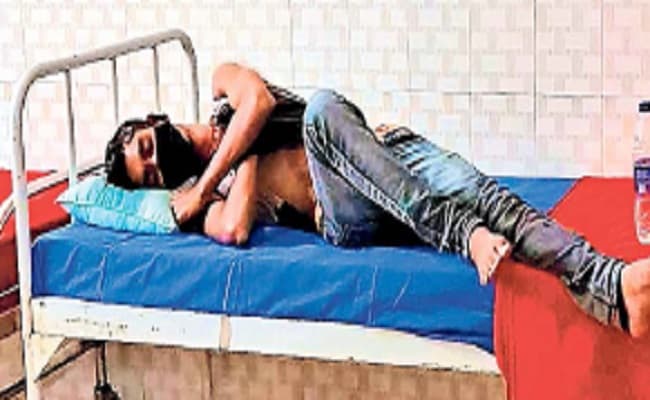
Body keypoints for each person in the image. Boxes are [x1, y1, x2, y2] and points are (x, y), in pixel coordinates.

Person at [104, 62, 650, 340]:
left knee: (487, 197)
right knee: (320, 110)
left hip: (387, 153)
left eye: (148, 147)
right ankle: (463, 233)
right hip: (345, 212)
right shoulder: (202, 199)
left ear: (155, 120)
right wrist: (227, 161)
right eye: (150, 174)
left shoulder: (223, 84)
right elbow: (234, 229)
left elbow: (260, 100)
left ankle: (614, 289)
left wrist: (235, 132)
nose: (158, 162)